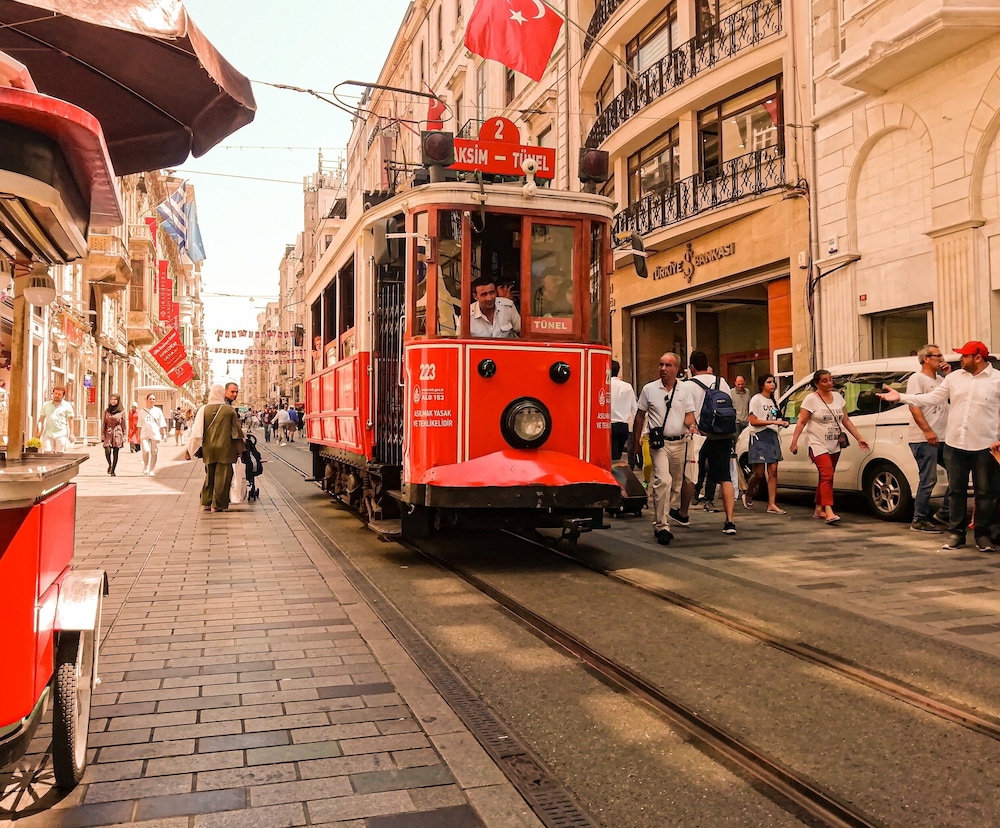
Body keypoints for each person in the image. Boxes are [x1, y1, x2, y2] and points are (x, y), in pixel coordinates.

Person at [879, 341, 1000, 552]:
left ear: (978, 357)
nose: (959, 359)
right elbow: (932, 398)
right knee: (956, 491)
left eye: (964, 356)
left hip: (984, 444)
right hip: (955, 443)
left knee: (984, 492)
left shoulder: (997, 380)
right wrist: (901, 397)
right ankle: (957, 534)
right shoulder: (954, 378)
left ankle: (982, 535)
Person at [632, 352, 698, 544]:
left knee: (675, 485)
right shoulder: (649, 389)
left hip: (680, 442)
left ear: (677, 369)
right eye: (661, 364)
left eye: (668, 365)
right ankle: (662, 526)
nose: (663, 368)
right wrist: (636, 441)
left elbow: (689, 414)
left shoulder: (685, 389)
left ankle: (661, 514)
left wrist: (692, 425)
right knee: (663, 480)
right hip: (659, 444)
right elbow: (640, 415)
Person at [790, 369, 870, 524]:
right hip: (817, 444)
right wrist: (794, 441)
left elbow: (846, 420)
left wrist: (859, 438)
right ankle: (829, 510)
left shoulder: (838, 398)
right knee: (827, 474)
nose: (829, 383)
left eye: (830, 380)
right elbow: (801, 421)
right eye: (825, 381)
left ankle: (818, 508)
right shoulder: (810, 399)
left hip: (834, 443)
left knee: (826, 476)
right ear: (816, 383)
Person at [684, 352, 739, 535]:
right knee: (725, 477)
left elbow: (687, 412)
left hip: (699, 436)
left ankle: (683, 513)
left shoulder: (687, 385)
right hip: (722, 435)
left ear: (692, 367)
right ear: (707, 364)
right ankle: (730, 521)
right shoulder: (720, 381)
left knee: (692, 474)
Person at [905, 344, 952, 533]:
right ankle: (919, 519)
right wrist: (927, 430)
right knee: (928, 478)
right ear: (926, 358)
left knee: (958, 474)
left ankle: (944, 512)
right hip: (924, 439)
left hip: (944, 437)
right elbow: (914, 405)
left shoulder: (941, 380)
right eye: (937, 355)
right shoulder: (917, 379)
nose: (941, 358)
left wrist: (949, 376)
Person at [187, 383, 245, 512]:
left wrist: (190, 449)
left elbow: (197, 430)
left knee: (210, 475)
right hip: (225, 448)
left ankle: (206, 501)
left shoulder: (203, 409)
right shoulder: (229, 410)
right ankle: (217, 504)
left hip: (208, 449)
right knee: (223, 477)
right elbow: (236, 432)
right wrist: (240, 450)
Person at [742, 374, 788, 513]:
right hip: (759, 436)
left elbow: (776, 416)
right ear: (762, 385)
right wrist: (773, 422)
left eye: (773, 382)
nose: (772, 384)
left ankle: (772, 504)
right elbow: (753, 420)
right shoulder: (756, 399)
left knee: (773, 470)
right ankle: (748, 493)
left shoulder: (774, 401)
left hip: (772, 436)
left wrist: (781, 423)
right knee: (759, 473)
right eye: (769, 382)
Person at [610, 359, 637, 461]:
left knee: (612, 459)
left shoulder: (603, 384)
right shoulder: (627, 386)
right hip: (623, 426)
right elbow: (634, 409)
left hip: (609, 425)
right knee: (618, 456)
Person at [37, 386, 74, 452]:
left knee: (60, 454)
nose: (56, 395)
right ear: (53, 393)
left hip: (61, 433)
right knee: (47, 452)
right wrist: (38, 434)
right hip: (48, 433)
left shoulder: (67, 406)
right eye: (55, 393)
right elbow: (41, 420)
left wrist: (71, 434)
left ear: (63, 395)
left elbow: (70, 421)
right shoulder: (46, 405)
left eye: (59, 394)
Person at [139, 393, 168, 476]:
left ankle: (151, 470)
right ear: (147, 400)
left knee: (154, 452)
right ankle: (146, 465)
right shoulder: (142, 411)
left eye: (153, 399)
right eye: (150, 399)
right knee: (146, 450)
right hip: (144, 434)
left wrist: (164, 434)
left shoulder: (158, 411)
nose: (152, 400)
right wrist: (138, 436)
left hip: (155, 433)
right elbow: (139, 425)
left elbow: (162, 423)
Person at [101, 393, 127, 476]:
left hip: (117, 433)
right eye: (111, 399)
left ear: (118, 401)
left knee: (116, 452)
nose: (113, 401)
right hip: (108, 432)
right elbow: (103, 423)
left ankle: (113, 470)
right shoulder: (107, 411)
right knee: (107, 450)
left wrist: (125, 434)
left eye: (115, 399)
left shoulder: (122, 411)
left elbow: (124, 423)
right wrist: (102, 433)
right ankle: (110, 464)